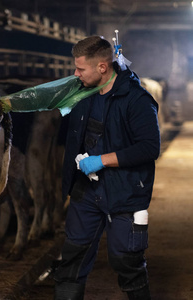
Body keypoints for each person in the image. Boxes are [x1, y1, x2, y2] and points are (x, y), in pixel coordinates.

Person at [53, 35, 160, 300]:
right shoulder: (83, 95)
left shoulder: (136, 99)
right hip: (86, 192)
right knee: (71, 261)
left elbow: (149, 147)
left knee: (127, 262)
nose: (75, 74)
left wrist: (102, 160)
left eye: (80, 69)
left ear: (102, 67)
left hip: (123, 191)